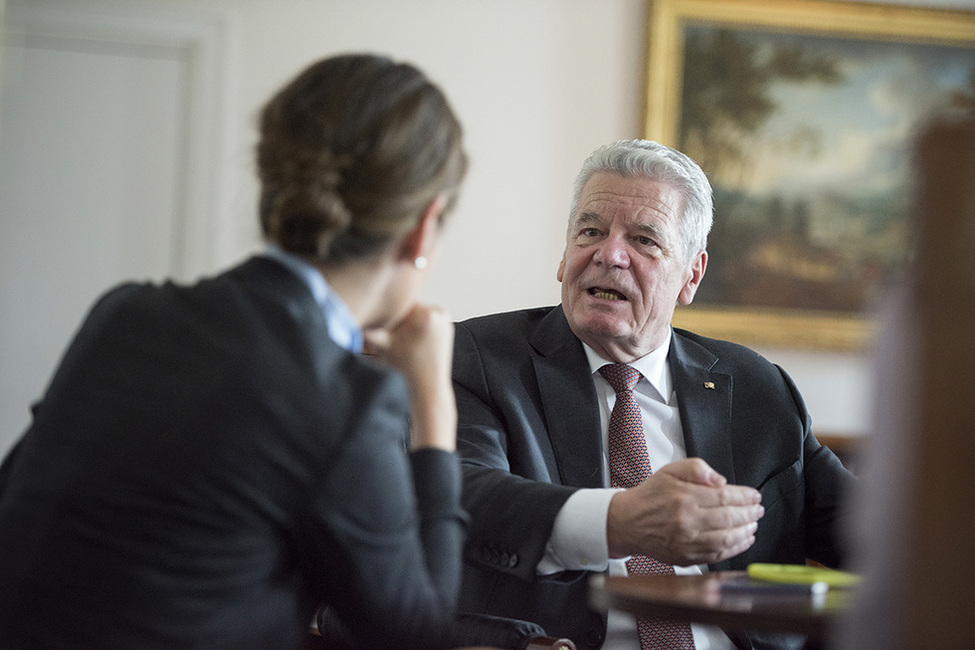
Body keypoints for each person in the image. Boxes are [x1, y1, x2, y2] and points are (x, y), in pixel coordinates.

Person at [0, 53, 468, 649]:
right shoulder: (342, 401)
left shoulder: (125, 312)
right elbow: (417, 636)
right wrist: (433, 405)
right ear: (424, 227)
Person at [451, 139, 855, 650]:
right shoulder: (480, 358)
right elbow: (462, 495)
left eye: (644, 240)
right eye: (591, 231)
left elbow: (868, 536)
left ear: (691, 275)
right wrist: (620, 522)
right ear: (564, 255)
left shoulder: (757, 387)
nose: (609, 254)